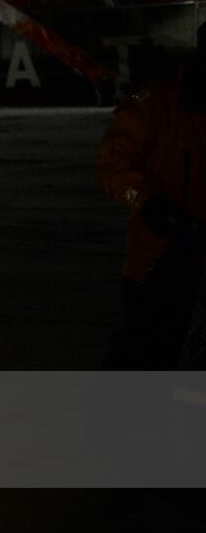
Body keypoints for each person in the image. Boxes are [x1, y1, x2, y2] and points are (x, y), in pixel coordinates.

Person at [96, 23, 205, 369]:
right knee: (145, 355)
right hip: (159, 258)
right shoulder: (152, 105)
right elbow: (113, 166)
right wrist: (149, 203)